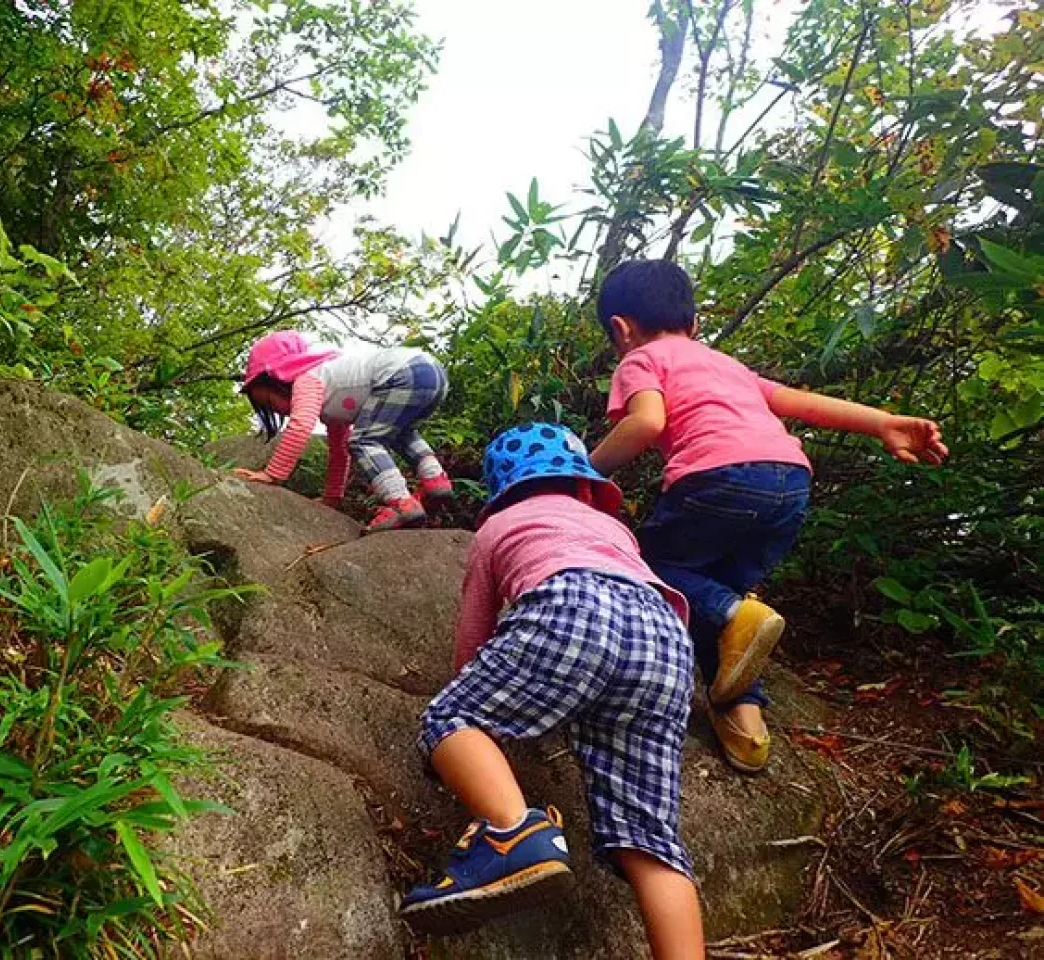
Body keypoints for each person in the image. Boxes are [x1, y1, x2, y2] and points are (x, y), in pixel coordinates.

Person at [590, 259, 948, 773]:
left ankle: (737, 615)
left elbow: (647, 422)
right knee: (717, 595)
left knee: (642, 566)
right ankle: (745, 719)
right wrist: (883, 423)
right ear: (694, 324)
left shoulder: (640, 361)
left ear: (620, 329)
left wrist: (583, 470)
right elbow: (801, 403)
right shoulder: (726, 364)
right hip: (790, 483)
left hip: (717, 480)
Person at [401, 423, 704, 960]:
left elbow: (474, 643)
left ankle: (512, 833)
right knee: (649, 836)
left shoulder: (499, 527)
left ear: (501, 491)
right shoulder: (612, 529)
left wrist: (479, 700)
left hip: (571, 604)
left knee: (450, 719)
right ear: (587, 486)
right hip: (666, 635)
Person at [232, 330, 454, 533]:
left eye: (271, 402)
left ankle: (401, 503)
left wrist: (272, 474)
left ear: (280, 378)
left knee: (363, 440)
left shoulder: (308, 379)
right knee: (399, 431)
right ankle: (435, 479)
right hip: (431, 372)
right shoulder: (333, 398)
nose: (279, 411)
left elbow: (300, 426)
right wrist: (331, 498)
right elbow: (339, 453)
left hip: (404, 373)